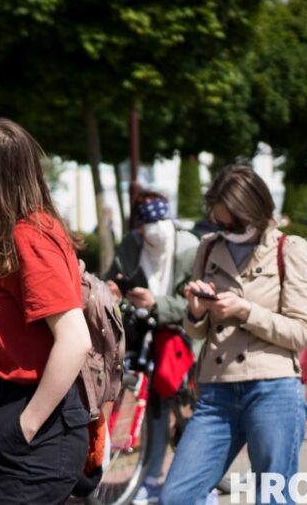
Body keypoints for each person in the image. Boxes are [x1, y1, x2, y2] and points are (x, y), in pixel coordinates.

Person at [0, 116, 91, 504]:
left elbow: (74, 340)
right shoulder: (13, 233)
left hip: (35, 431)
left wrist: (26, 426)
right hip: (4, 412)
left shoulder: (30, 236)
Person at [160, 165, 307, 505]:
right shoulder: (208, 248)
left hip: (272, 387)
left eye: (234, 225)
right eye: (220, 224)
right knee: (177, 496)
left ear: (256, 213)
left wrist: (246, 311)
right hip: (217, 389)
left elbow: (302, 331)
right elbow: (197, 330)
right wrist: (196, 311)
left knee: (273, 498)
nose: (226, 232)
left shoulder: (289, 249)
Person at [104, 190, 198, 505]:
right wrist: (114, 290)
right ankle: (151, 473)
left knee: (170, 393)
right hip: (142, 327)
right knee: (145, 388)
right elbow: (113, 278)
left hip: (182, 329)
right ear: (139, 227)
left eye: (160, 219)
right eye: (148, 222)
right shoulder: (132, 245)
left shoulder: (188, 247)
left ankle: (162, 473)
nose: (155, 229)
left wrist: (157, 302)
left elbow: (195, 303)